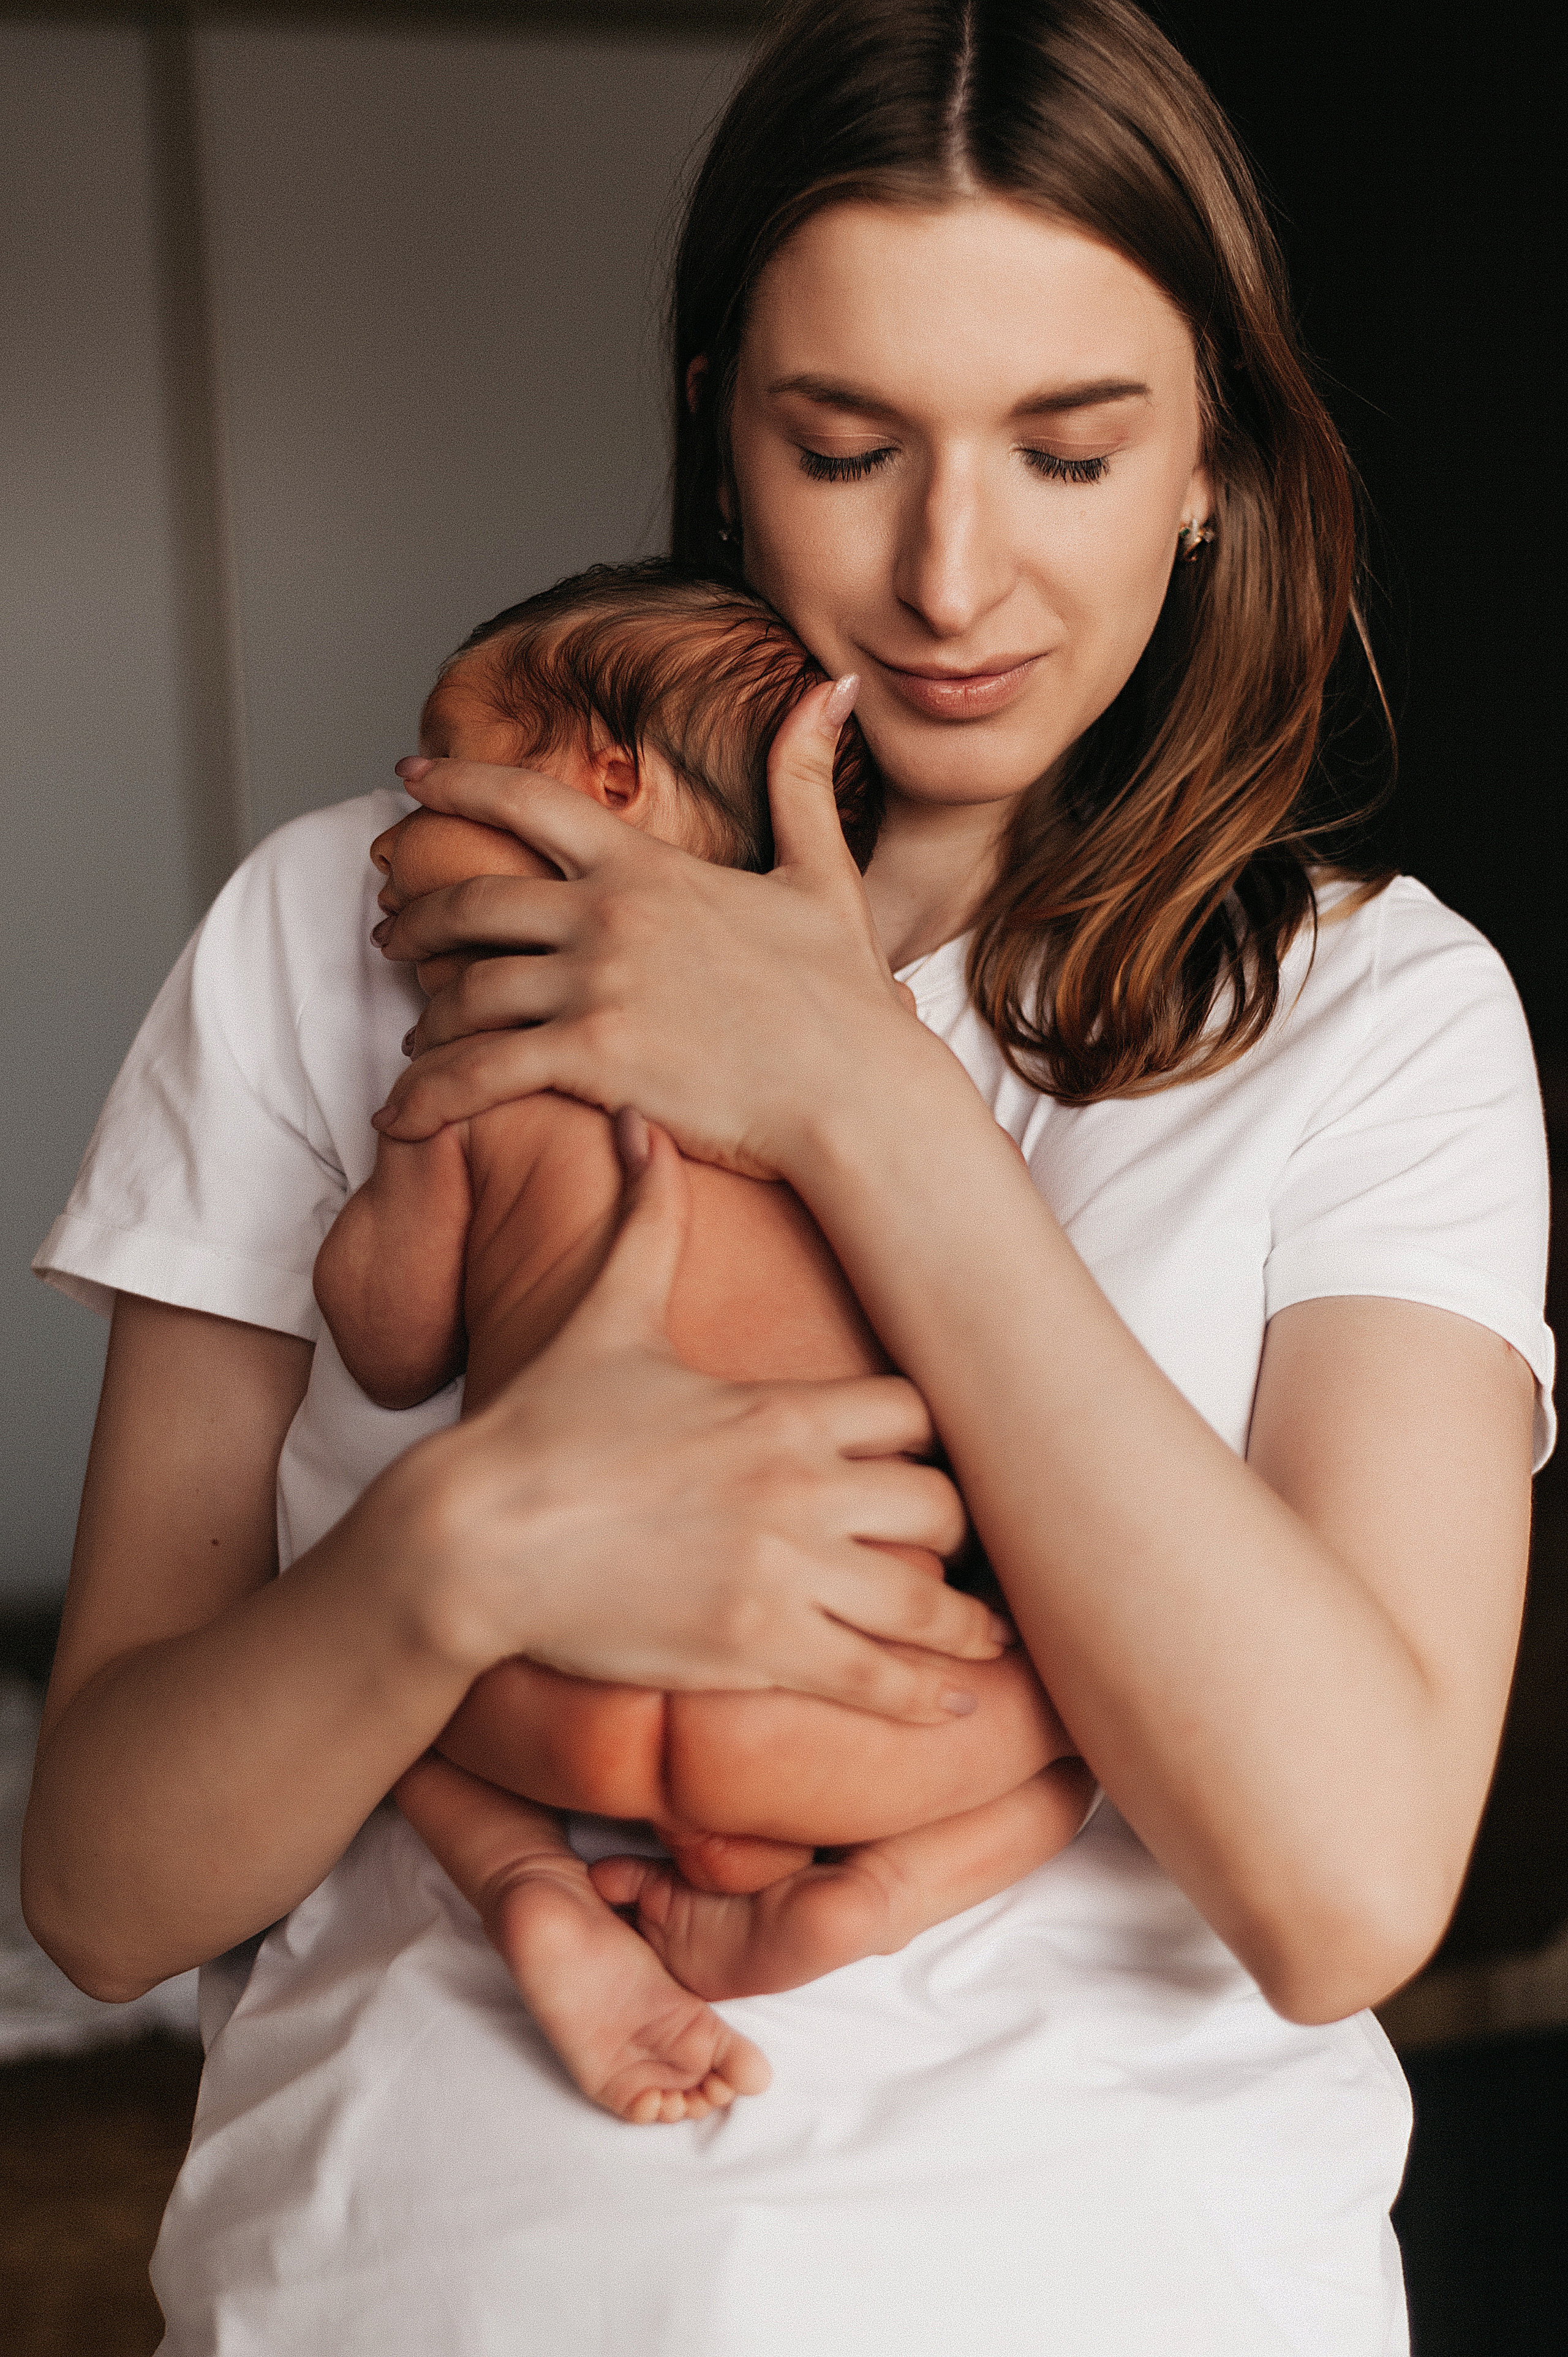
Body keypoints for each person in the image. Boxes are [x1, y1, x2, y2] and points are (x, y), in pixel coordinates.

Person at [23, 1, 1552, 2348]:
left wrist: (852, 1084)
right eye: (849, 443)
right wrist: (467, 1539)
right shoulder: (363, 921)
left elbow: (1343, 1888)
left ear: (1214, 462)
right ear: (728, 430)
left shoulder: (1375, 1015)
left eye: (1067, 449)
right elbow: (106, 1894)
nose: (953, 577)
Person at [317, 563, 1090, 2124]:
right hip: (838, 1718)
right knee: (1099, 1715)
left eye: (433, 773)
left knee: (350, 1676)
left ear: (598, 785)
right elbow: (981, 1273)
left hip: (538, 1700)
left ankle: (528, 1876)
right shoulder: (840, 1061)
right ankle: (875, 1890)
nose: (383, 847)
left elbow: (389, 1349)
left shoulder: (495, 1085)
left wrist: (413, 1139)